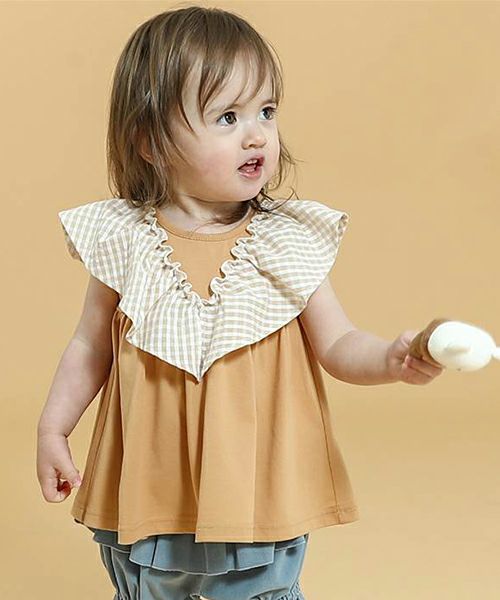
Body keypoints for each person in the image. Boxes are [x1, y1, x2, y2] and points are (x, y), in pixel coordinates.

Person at [36, 5, 444, 600]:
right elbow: (89, 346)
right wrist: (54, 429)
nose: (257, 135)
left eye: (266, 112)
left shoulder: (284, 242)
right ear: (150, 142)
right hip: (150, 482)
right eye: (228, 117)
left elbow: (337, 342)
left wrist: (391, 358)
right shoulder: (126, 240)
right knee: (149, 585)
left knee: (259, 588)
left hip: (254, 487)